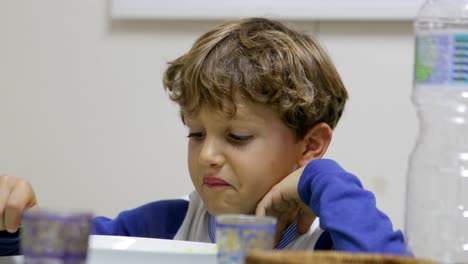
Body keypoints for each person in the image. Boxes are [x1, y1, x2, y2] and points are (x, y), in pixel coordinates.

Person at [0, 17, 409, 256]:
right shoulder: (165, 225)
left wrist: (320, 178)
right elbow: (45, 248)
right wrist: (14, 224)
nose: (207, 155)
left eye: (238, 136)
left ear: (310, 145)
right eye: (196, 133)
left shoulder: (326, 244)